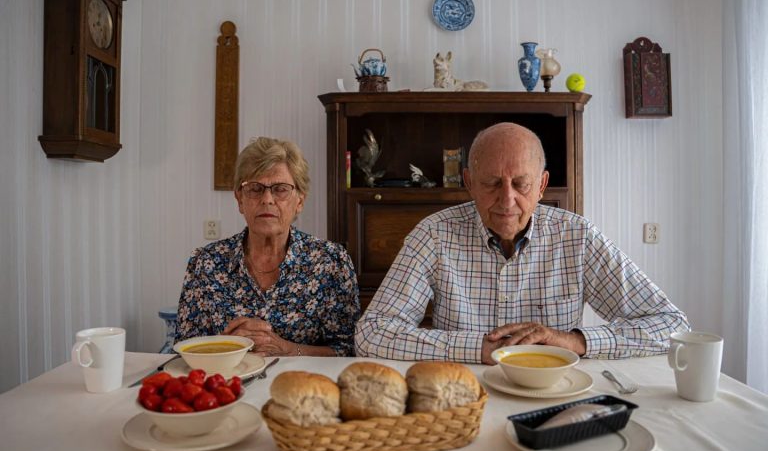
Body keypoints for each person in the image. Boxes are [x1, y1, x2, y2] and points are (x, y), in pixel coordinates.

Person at [355, 122, 689, 364]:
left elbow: (671, 325)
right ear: (469, 182)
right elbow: (371, 334)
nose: (507, 200)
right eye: (492, 183)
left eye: (521, 184)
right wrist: (479, 349)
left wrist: (573, 341)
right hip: (462, 395)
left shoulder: (578, 237)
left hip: (556, 392)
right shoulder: (433, 235)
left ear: (542, 185)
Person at [176, 137, 360, 357]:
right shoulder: (205, 263)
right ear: (240, 199)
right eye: (255, 189)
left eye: (280, 189)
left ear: (300, 201)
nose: (267, 199)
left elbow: (348, 350)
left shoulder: (332, 261)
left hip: (299, 379)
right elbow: (184, 349)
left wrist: (288, 349)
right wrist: (226, 344)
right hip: (227, 378)